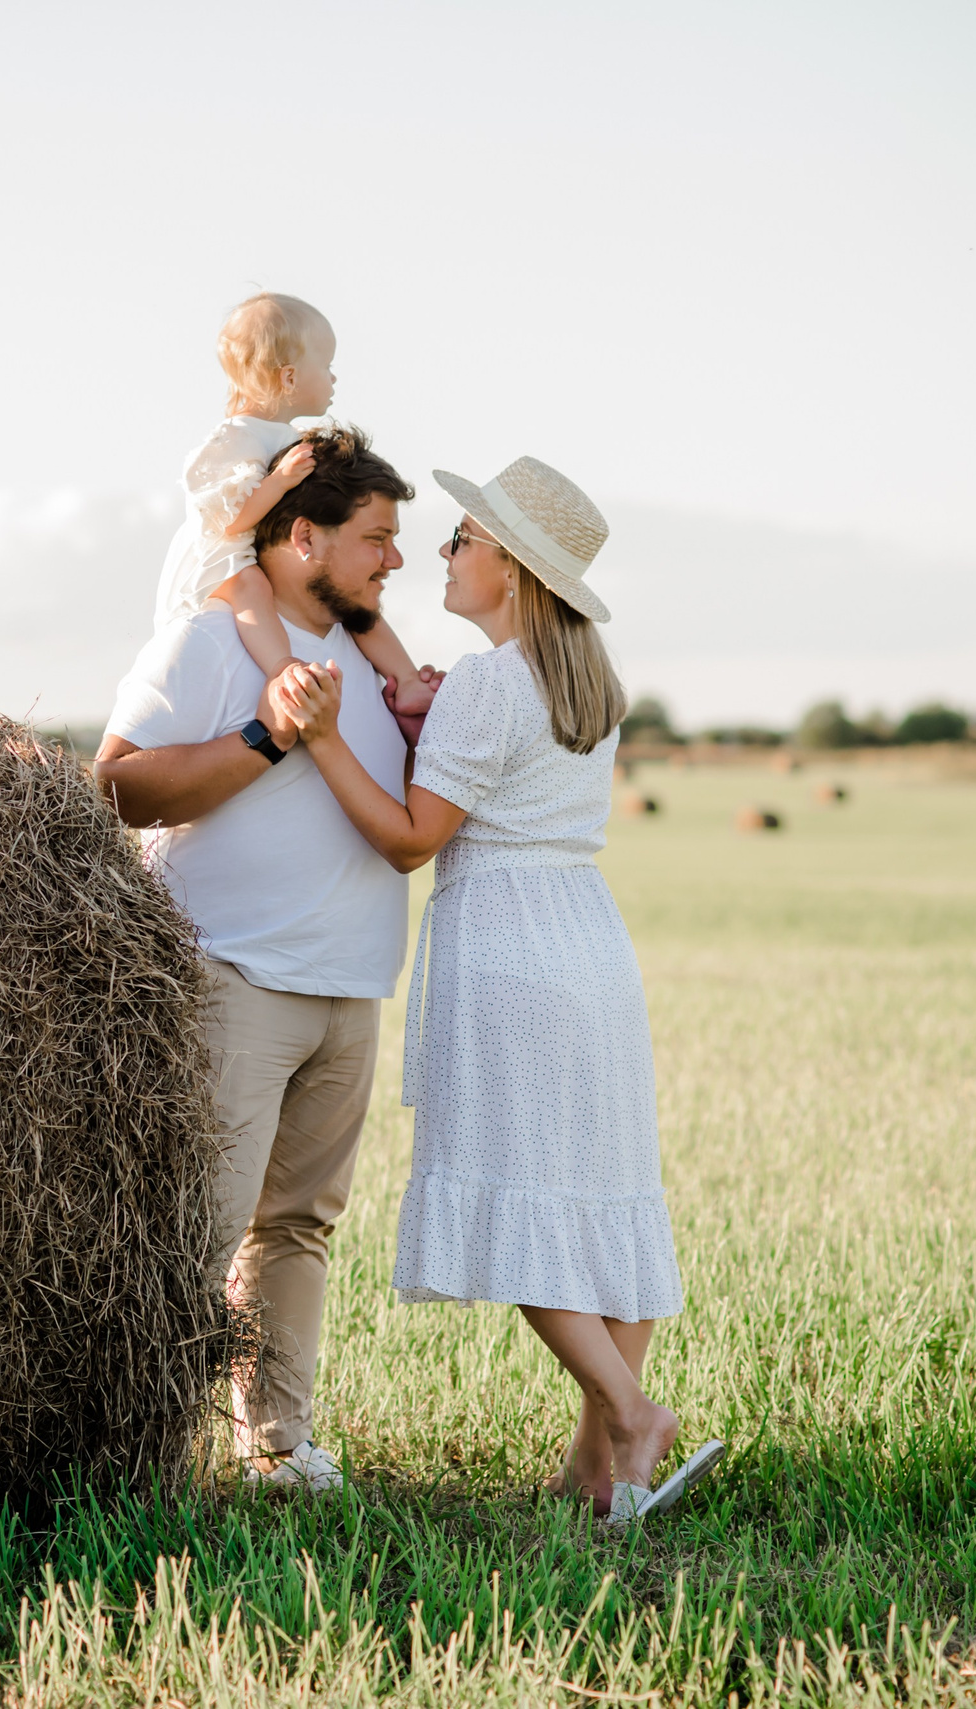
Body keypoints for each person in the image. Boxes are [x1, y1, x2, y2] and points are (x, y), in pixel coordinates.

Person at [281, 455, 726, 1527]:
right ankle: (595, 1470)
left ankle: (630, 1412)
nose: (444, 553)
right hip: (585, 939)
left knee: (521, 1200)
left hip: (506, 948)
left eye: (463, 540)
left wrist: (324, 736)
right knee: (597, 1195)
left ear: (514, 569)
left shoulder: (488, 683)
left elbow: (406, 841)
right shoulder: (587, 681)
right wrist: (427, 707)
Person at [97, 426, 420, 1494]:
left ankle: (277, 1444)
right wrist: (262, 739)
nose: (392, 560)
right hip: (232, 977)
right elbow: (115, 784)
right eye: (374, 537)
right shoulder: (207, 644)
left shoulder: (377, 660)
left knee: (298, 1228)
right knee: (197, 1226)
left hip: (353, 983)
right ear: (298, 536)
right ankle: (136, 1455)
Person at [151, 294, 437, 724]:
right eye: (326, 366)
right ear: (288, 377)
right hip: (230, 556)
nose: (334, 377)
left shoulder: (286, 436)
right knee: (251, 588)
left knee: (352, 598)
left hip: (270, 554)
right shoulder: (235, 440)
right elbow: (229, 522)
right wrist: (280, 481)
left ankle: (408, 680)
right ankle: (282, 669)